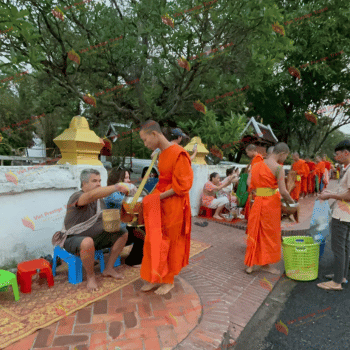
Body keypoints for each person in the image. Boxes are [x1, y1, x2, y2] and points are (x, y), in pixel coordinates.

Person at [138, 120, 193, 295]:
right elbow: (162, 181)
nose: (145, 144)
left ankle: (168, 280)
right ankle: (155, 277)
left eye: (146, 140)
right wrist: (151, 197)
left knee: (171, 242)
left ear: (154, 134)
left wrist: (155, 198)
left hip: (175, 205)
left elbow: (182, 187)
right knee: (153, 239)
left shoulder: (179, 154)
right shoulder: (162, 154)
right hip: (160, 204)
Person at [59, 169, 129, 291]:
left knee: (122, 233)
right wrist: (117, 186)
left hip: (94, 237)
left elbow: (102, 217)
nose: (98, 184)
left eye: (100, 181)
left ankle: (109, 268)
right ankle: (91, 277)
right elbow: (90, 195)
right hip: (73, 239)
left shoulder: (99, 200)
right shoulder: (76, 196)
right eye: (94, 181)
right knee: (87, 242)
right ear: (84, 183)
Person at [245, 143, 295, 274]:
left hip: (257, 202)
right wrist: (292, 202)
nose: (285, 159)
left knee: (255, 231)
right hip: (270, 204)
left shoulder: (256, 165)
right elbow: (283, 191)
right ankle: (265, 264)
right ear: (282, 153)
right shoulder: (278, 168)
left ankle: (251, 264)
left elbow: (249, 183)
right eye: (286, 156)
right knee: (268, 235)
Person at [317, 140, 350, 291]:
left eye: (337, 154)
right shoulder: (347, 168)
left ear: (346, 153)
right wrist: (331, 193)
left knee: (338, 247)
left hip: (343, 215)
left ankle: (336, 282)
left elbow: (349, 195)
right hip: (346, 214)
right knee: (343, 247)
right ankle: (341, 276)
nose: (336, 157)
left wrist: (330, 196)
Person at [104, 167, 144, 267]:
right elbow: (132, 204)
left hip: (124, 226)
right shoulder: (113, 194)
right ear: (117, 180)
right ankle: (134, 260)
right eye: (126, 178)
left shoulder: (121, 193)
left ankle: (139, 256)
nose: (128, 180)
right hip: (116, 230)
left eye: (128, 177)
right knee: (141, 229)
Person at [244, 144, 264, 220]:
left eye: (247, 152)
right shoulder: (255, 158)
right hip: (253, 182)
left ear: (252, 151)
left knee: (253, 201)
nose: (247, 154)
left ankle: (253, 219)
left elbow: (256, 172)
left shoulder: (258, 158)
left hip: (255, 183)